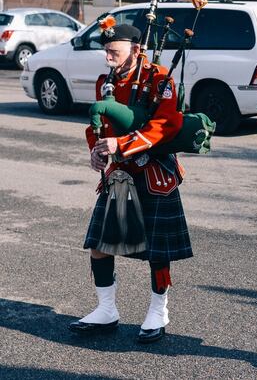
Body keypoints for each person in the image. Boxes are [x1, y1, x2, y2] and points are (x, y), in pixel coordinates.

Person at [68, 22, 192, 344]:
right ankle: (106, 309)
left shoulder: (159, 79)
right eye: (106, 51)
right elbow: (97, 127)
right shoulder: (104, 82)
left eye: (115, 51)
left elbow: (167, 124)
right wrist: (97, 152)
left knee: (157, 251)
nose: (108, 57)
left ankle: (158, 311)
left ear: (137, 50)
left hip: (154, 173)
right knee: (98, 245)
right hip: (119, 174)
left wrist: (123, 145)